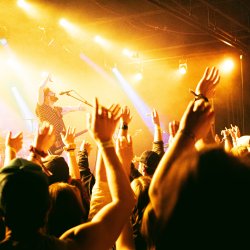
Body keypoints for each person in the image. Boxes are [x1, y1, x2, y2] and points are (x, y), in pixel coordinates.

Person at [0, 98, 135, 250]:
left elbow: (10, 189)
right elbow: (125, 202)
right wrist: (105, 141)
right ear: (47, 205)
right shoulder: (72, 245)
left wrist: (22, 153)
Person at [35, 73, 86, 155]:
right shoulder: (42, 107)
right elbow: (40, 88)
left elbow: (67, 109)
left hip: (60, 139)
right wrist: (47, 77)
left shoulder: (56, 109)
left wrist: (77, 108)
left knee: (61, 161)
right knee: (52, 161)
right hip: (50, 140)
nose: (53, 94)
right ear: (45, 96)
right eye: (51, 93)